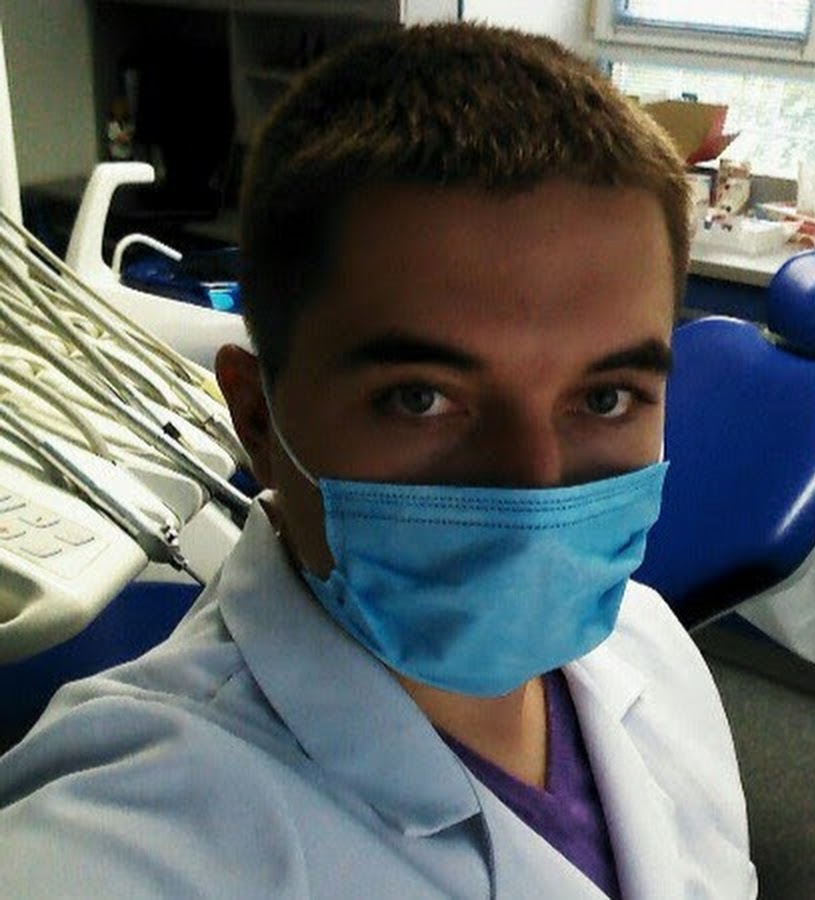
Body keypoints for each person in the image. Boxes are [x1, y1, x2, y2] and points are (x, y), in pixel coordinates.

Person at [0, 23, 757, 898]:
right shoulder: (125, 835)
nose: (534, 483)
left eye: (605, 398)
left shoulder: (652, 645)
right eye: (420, 398)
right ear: (256, 419)